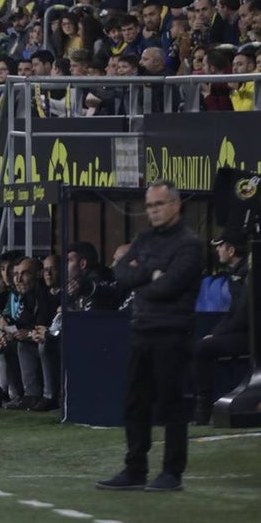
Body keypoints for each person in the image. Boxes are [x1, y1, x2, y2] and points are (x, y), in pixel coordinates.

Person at [97, 180, 202, 493]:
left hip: (172, 332)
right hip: (141, 330)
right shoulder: (144, 238)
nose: (153, 211)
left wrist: (143, 274)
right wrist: (152, 273)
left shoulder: (189, 244)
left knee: (172, 405)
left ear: (176, 205)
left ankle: (172, 473)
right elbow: (121, 274)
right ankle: (135, 469)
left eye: (158, 204)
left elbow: (170, 286)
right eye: (150, 205)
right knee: (135, 404)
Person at [192, 228, 250, 425]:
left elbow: (243, 315)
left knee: (202, 348)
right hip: (244, 331)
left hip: (252, 335)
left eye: (220, 247)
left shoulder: (248, 273)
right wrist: (215, 333)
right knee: (202, 344)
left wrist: (216, 335)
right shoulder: (237, 273)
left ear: (231, 250)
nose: (218, 251)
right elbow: (234, 312)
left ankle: (203, 411)